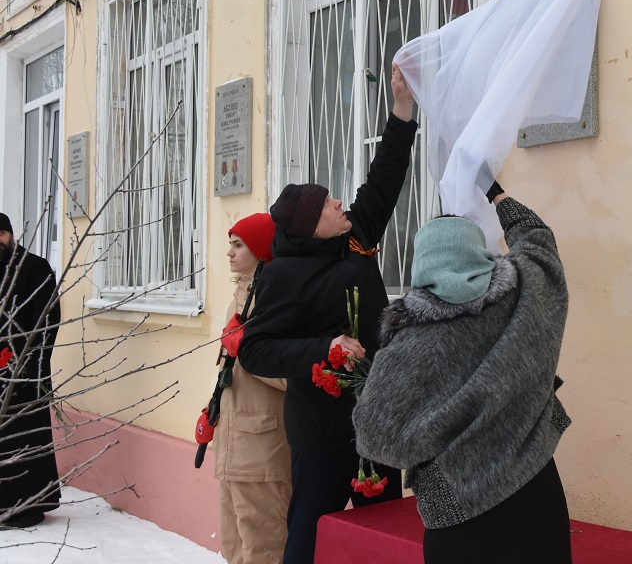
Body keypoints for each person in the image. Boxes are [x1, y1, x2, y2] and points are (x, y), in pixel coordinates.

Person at [238, 64, 417, 564]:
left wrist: (402, 108)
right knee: (310, 539)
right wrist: (326, 349)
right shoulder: (281, 276)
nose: (340, 202)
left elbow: (384, 180)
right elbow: (256, 348)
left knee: (382, 539)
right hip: (322, 433)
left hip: (374, 422)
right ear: (309, 227)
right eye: (326, 205)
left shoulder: (354, 240)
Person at [352, 184, 573, 564]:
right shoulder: (527, 294)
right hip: (537, 495)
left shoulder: (411, 342)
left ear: (422, 264)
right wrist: (497, 193)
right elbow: (538, 243)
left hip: (458, 511)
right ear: (480, 253)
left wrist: (438, 436)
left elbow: (375, 436)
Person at [198, 213, 290, 564]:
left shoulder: (277, 300)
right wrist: (212, 407)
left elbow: (289, 372)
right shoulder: (240, 295)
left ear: (262, 249)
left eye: (238, 245)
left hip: (262, 446)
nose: (229, 253)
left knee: (264, 545)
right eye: (230, 245)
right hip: (233, 441)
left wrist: (249, 350)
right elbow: (228, 370)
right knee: (234, 543)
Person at [0, 212, 61, 528]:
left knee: (27, 439)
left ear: (10, 235)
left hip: (26, 375)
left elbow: (48, 320)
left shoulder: (36, 268)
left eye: (1, 234)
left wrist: (17, 360)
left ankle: (29, 508)